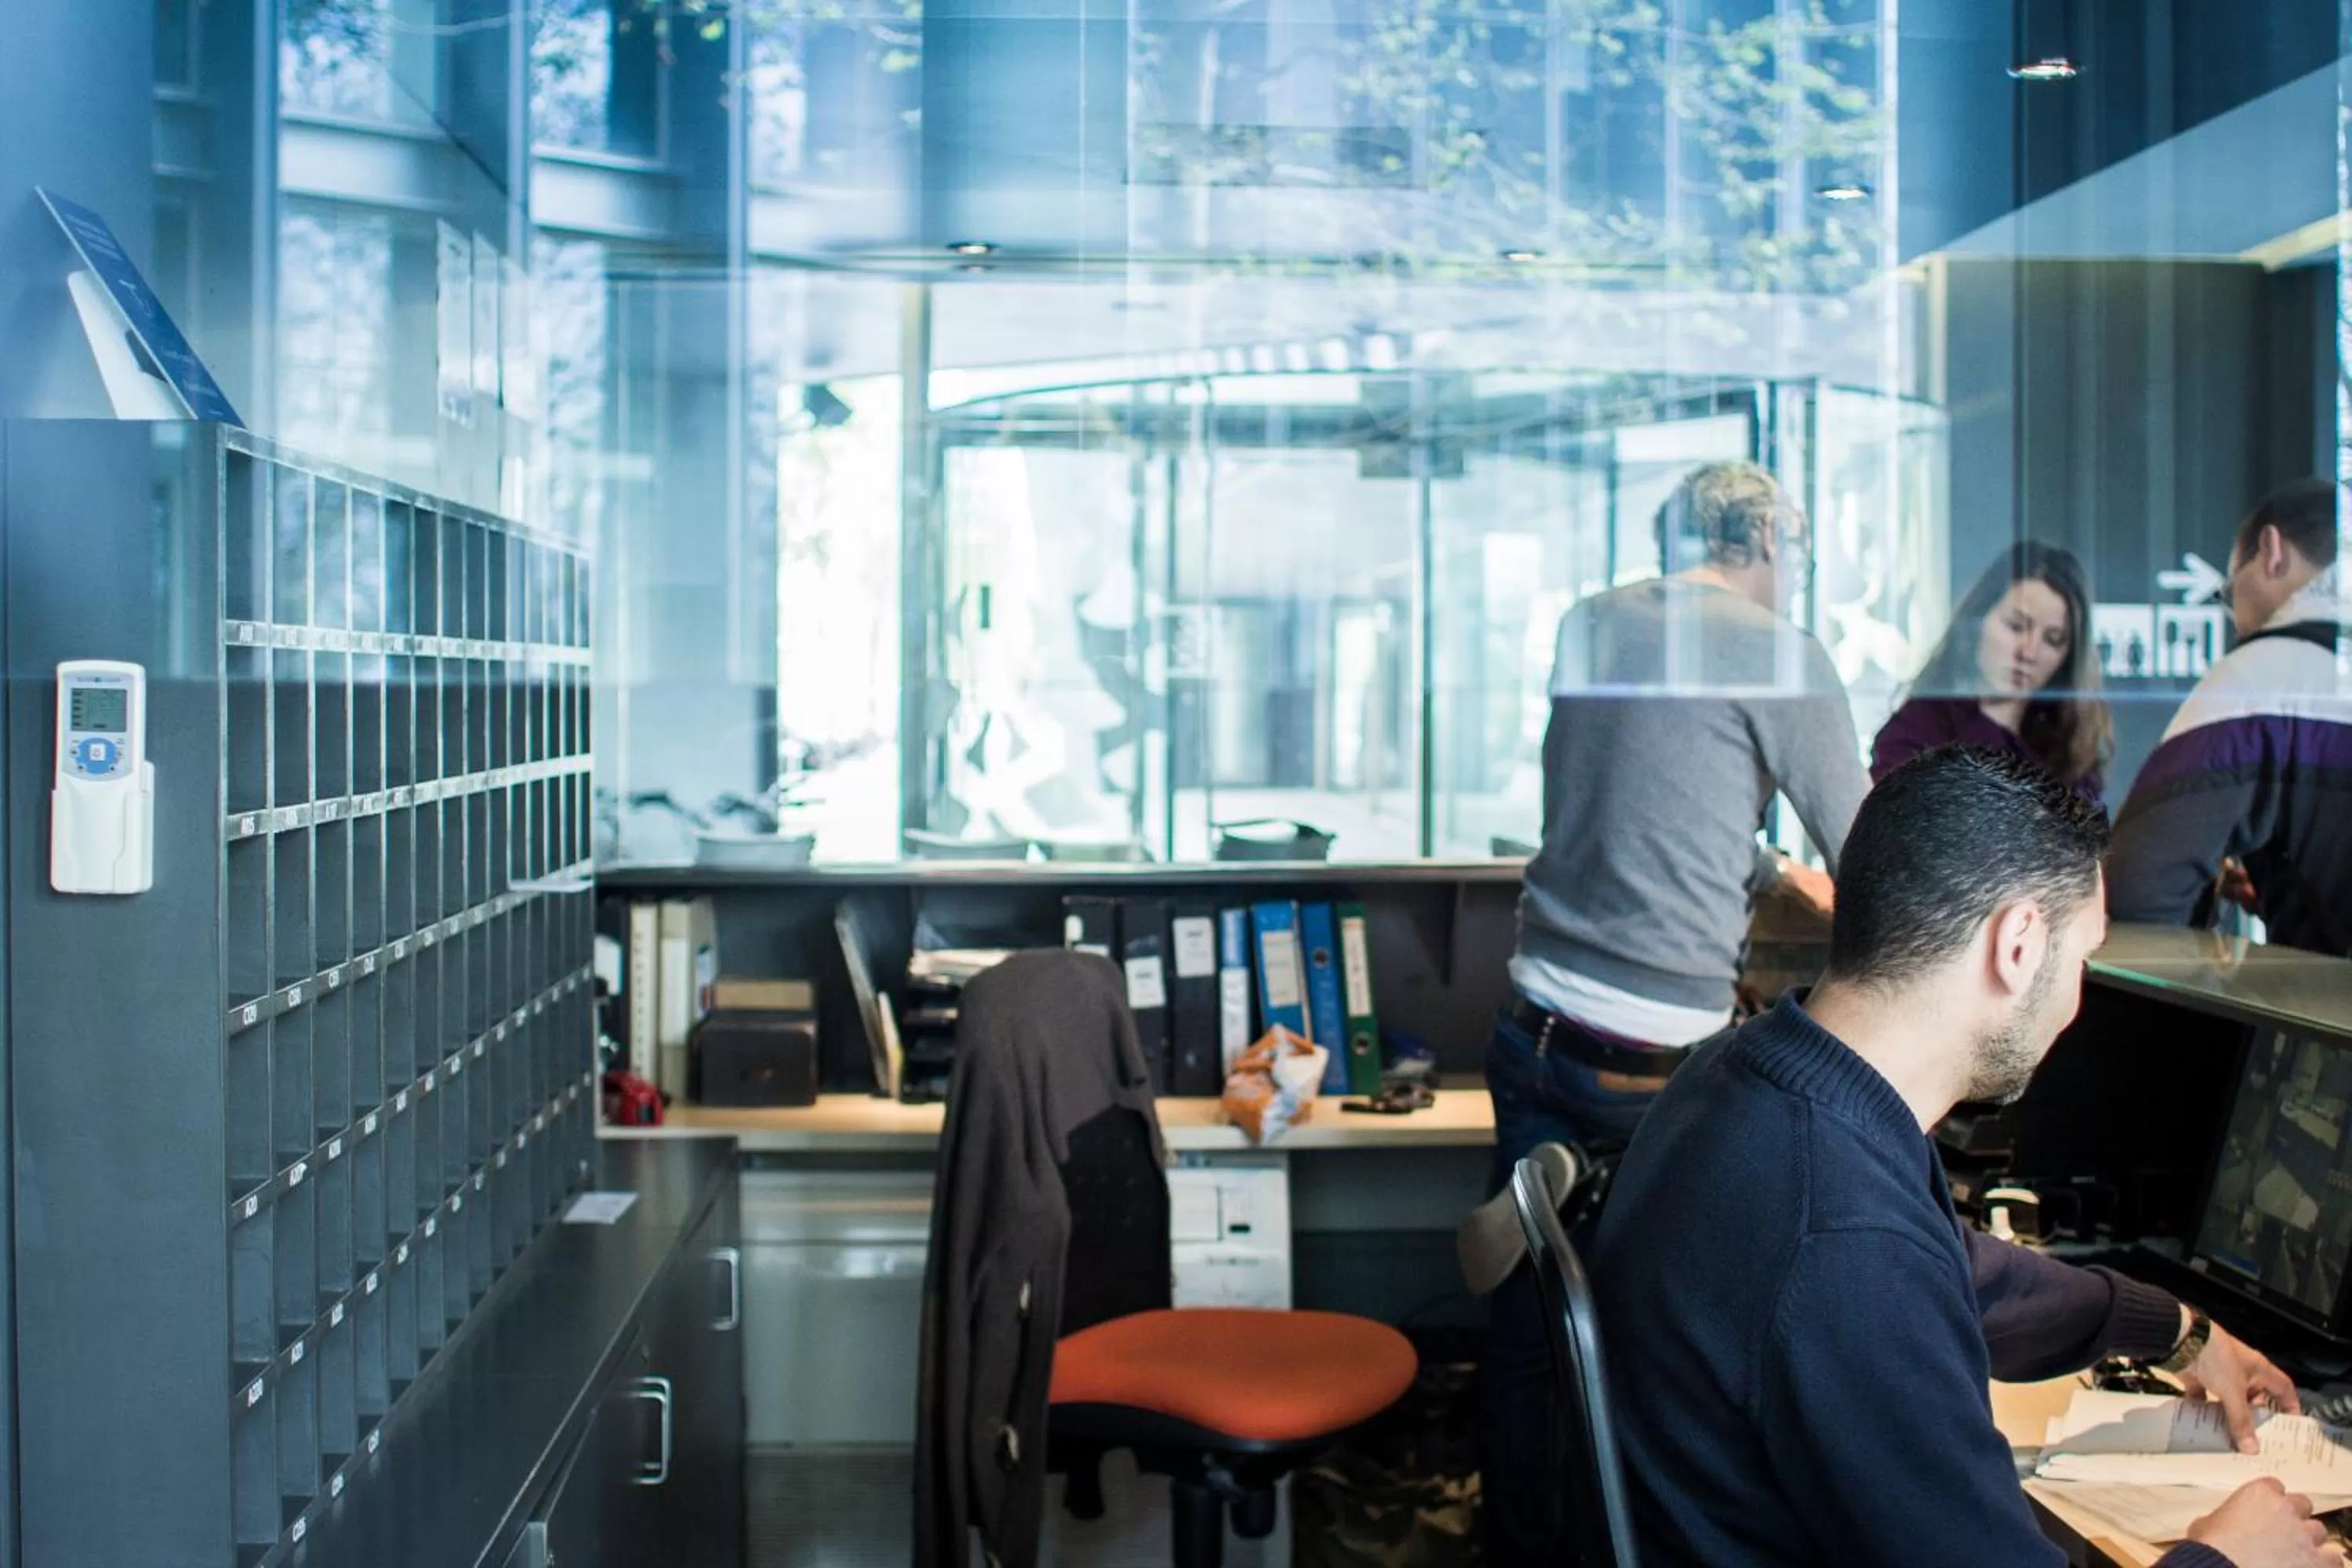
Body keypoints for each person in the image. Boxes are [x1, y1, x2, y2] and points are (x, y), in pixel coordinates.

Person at [1592, 745, 2336, 1568]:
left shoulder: (1746, 1074)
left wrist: (2173, 1328)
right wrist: (2231, 1556)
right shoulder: (1846, 1240)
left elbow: (1947, 1269)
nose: (2077, 998)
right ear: (2017, 944)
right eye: (2079, 958)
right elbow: (1878, 1267)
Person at [1481, 459, 1868, 1560]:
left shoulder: (1590, 624)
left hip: (1534, 1027)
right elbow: (1875, 857)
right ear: (1768, 546)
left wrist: (1760, 868)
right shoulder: (1781, 657)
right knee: (1667, 1351)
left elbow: (1634, 802)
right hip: (1648, 1071)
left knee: (1528, 1328)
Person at [2108, 479, 2352, 954]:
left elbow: (2139, 887)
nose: (2232, 614)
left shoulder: (2265, 677)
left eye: (2227, 591)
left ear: (2271, 549)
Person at [1871, 540, 2111, 802]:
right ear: (1979, 620)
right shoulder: (1919, 729)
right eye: (2016, 626)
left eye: (2053, 640)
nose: (2029, 652)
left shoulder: (2072, 750)